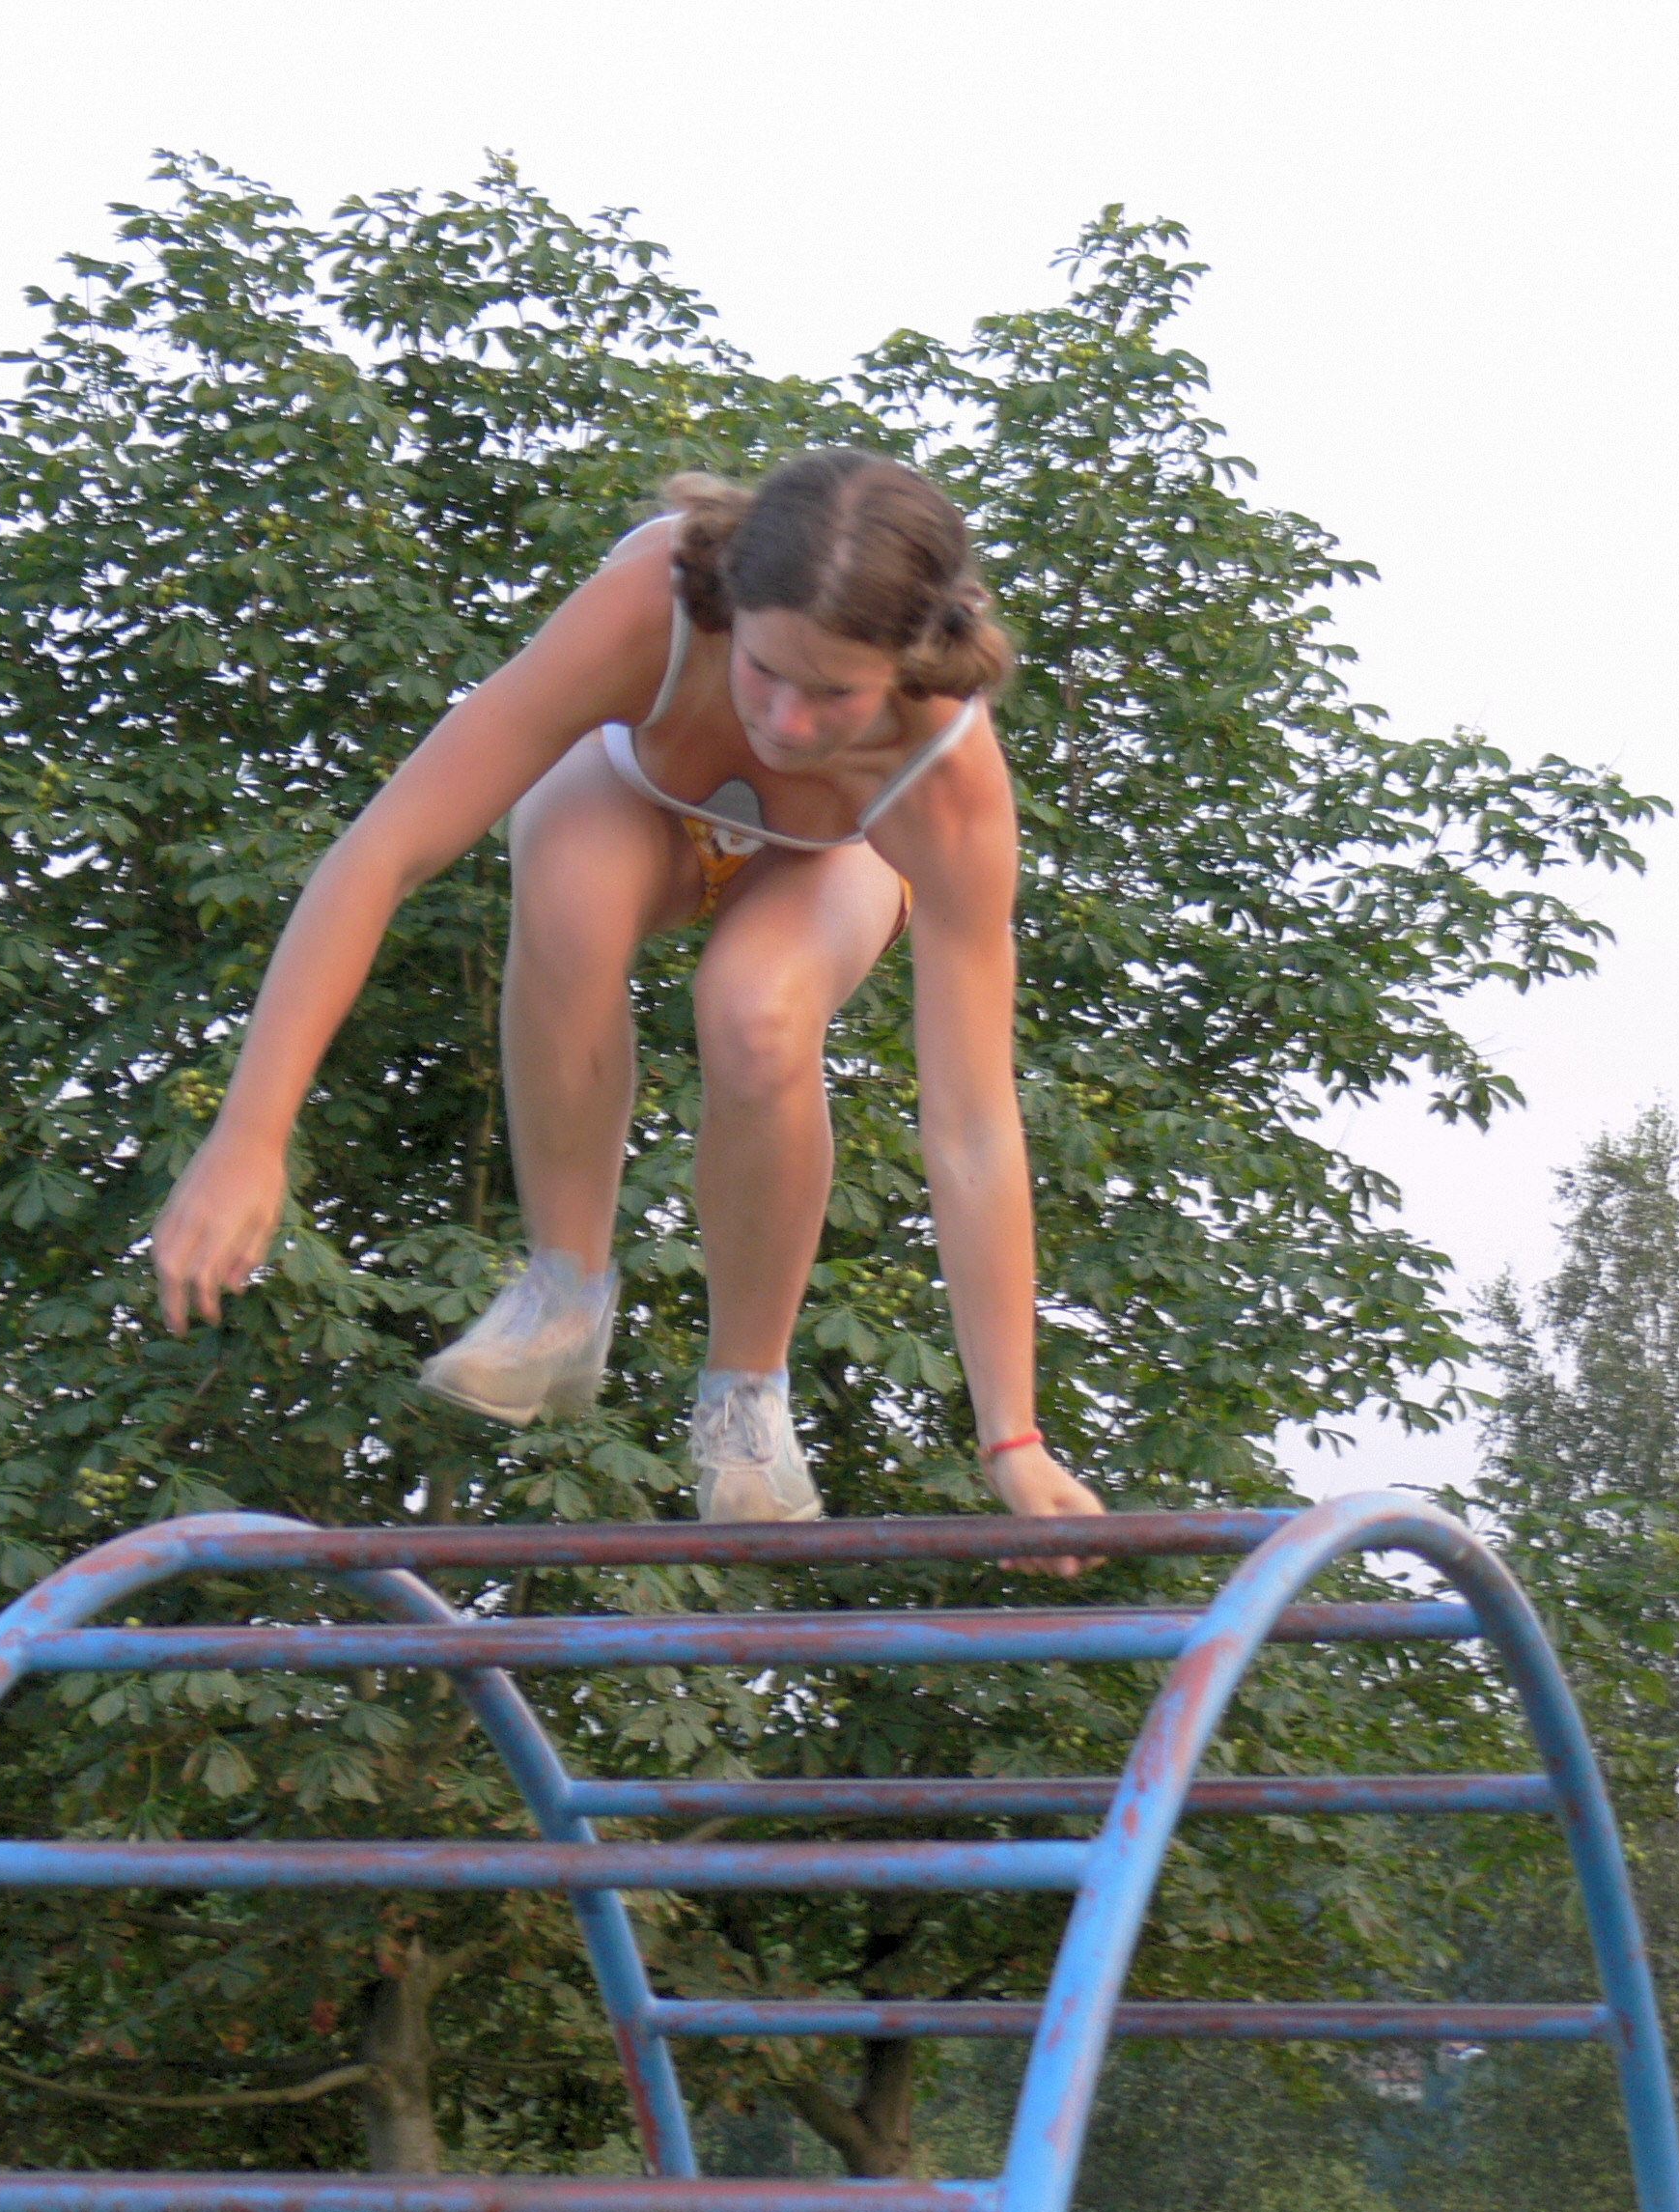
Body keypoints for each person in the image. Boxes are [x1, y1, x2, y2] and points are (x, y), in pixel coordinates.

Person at [151, 450, 1105, 1538]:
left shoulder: (945, 778)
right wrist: (250, 1134)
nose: (787, 723)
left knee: (756, 1015)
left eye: (834, 694)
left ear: (911, 665)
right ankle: (564, 1291)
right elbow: (384, 852)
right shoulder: (650, 609)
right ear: (730, 606)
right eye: (765, 671)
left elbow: (973, 1122)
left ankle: (746, 1398)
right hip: (630, 807)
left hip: (825, 866)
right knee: (567, 886)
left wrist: (1012, 1439)